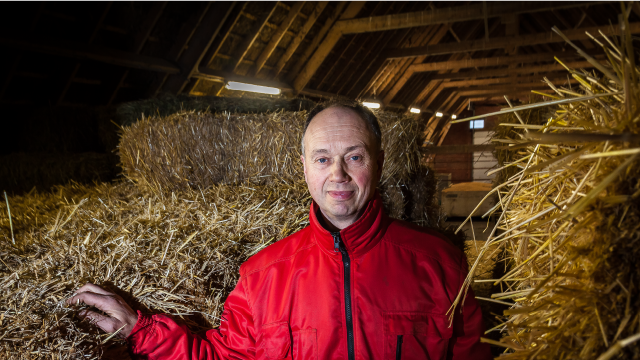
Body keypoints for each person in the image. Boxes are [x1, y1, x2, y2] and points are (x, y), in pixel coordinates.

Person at [68, 101, 491, 359]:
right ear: (304, 167)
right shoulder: (261, 275)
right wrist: (140, 330)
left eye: (355, 157)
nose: (338, 174)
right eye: (323, 158)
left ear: (378, 163)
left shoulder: (440, 264)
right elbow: (219, 358)